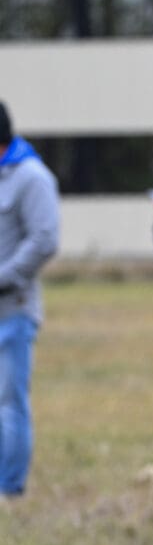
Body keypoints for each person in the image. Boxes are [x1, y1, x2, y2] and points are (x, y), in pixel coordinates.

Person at [0, 101, 60, 498]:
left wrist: (2, 277)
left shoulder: (31, 177)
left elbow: (44, 240)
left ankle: (9, 488)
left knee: (8, 402)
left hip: (13, 310)